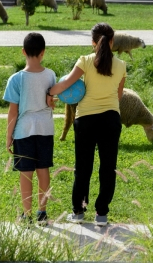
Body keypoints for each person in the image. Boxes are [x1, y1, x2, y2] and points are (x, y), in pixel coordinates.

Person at [48, 22, 126, 226]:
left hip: (86, 121)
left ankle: (79, 212)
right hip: (111, 120)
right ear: (112, 41)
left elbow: (65, 85)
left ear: (93, 42)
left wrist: (48, 92)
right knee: (108, 168)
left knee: (83, 168)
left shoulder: (85, 61)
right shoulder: (121, 66)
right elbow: (118, 96)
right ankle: (101, 214)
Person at [3, 32, 56, 226]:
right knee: (44, 170)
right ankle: (42, 213)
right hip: (46, 129)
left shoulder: (15, 79)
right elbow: (51, 102)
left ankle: (26, 215)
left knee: (26, 173)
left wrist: (9, 136)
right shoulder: (50, 75)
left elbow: (13, 112)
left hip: (24, 131)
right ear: (43, 52)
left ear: (23, 51)